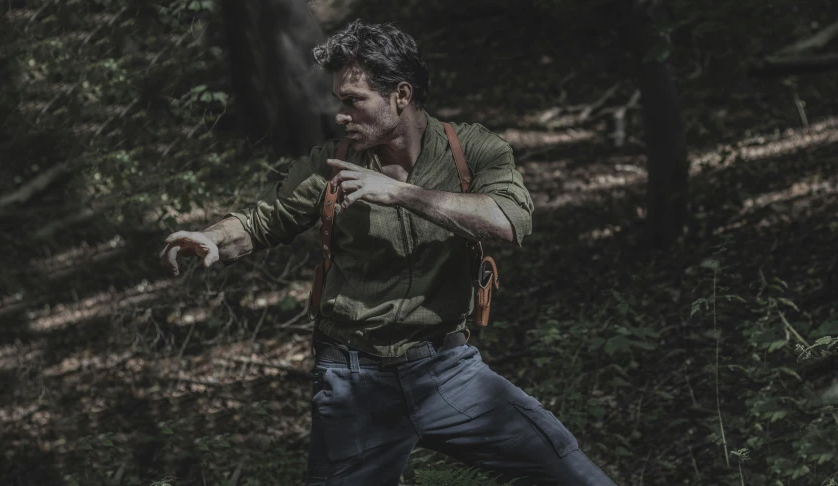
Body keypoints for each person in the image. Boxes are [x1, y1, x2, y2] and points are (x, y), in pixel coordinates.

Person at [160, 19, 617, 486]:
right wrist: (214, 237)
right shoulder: (331, 164)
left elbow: (509, 220)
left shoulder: (473, 149)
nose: (342, 114)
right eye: (340, 101)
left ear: (401, 94)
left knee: (568, 469)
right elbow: (261, 221)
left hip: (447, 371)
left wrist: (401, 193)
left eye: (353, 100)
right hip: (354, 382)